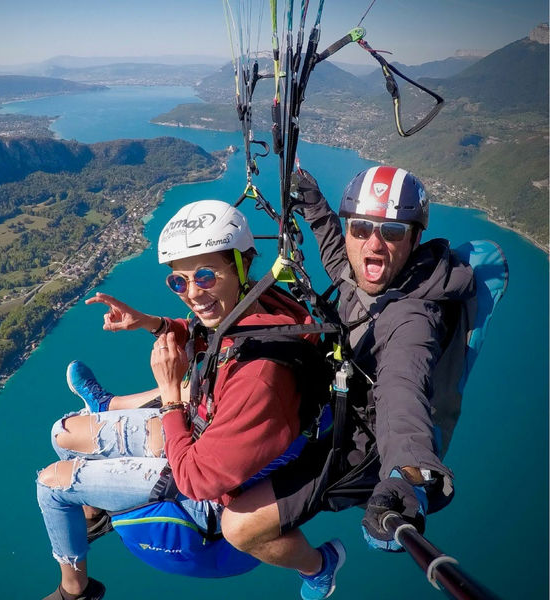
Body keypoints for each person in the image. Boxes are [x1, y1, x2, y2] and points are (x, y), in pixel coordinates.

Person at [66, 165, 477, 598]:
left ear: (415, 237)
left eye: (391, 231)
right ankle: (109, 405)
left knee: (240, 525)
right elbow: (338, 254)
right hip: (327, 391)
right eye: (362, 228)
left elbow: (403, 394)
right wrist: (314, 202)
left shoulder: (410, 321)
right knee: (207, 375)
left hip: (354, 445)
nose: (373, 244)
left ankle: (319, 567)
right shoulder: (371, 275)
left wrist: (404, 478)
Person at [35, 199, 336, 600]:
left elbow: (197, 481)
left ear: (240, 265)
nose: (192, 293)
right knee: (64, 432)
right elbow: (212, 337)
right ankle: (93, 511)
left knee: (50, 485)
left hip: (206, 485)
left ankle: (76, 591)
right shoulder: (261, 304)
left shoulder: (260, 378)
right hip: (203, 431)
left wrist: (171, 394)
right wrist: (154, 323)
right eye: (178, 282)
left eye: (206, 276)